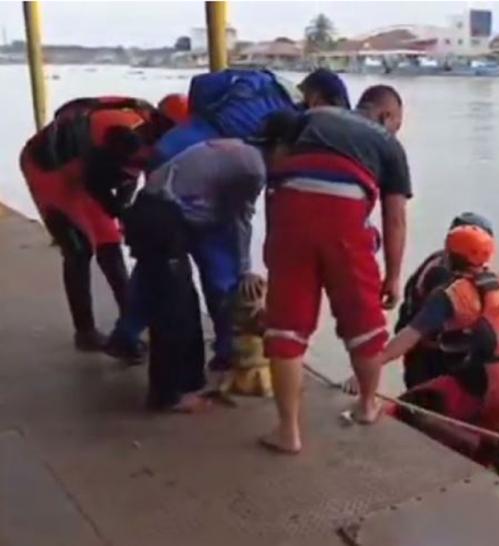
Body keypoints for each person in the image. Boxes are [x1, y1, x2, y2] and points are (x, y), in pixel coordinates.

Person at [104, 71, 349, 363]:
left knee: (156, 267)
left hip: (174, 157)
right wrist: (248, 267)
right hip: (206, 184)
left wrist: (207, 126)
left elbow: (201, 84)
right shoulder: (291, 123)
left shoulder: (260, 78)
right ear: (318, 99)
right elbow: (244, 211)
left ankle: (126, 334)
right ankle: (226, 349)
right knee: (224, 273)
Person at [262, 85, 411, 454]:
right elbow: (394, 219)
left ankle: (287, 432)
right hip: (344, 217)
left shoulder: (313, 116)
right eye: (397, 124)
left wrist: (274, 238)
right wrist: (393, 276)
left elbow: (274, 171)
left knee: (286, 328)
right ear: (387, 116)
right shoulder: (389, 144)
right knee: (364, 321)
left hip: (289, 210)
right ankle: (367, 406)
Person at [122, 131, 281, 411]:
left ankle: (186, 382)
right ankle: (167, 396)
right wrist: (244, 268)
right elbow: (241, 217)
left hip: (155, 210)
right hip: (160, 217)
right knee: (173, 311)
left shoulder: (242, 151)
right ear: (279, 147)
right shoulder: (255, 168)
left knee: (180, 302)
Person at [19, 95, 176, 351]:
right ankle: (86, 332)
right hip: (47, 170)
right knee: (78, 249)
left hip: (86, 168)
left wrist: (124, 209)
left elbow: (128, 176)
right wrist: (121, 212)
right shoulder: (126, 136)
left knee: (109, 244)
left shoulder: (147, 130)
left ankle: (130, 325)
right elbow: (98, 182)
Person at [375, 225, 499, 443]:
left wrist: (374, 363)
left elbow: (409, 336)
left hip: (479, 386)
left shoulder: (451, 294)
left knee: (409, 409)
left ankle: (470, 444)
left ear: (450, 256)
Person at [395, 212, 495, 389]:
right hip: (428, 353)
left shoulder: (463, 269)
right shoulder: (441, 275)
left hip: (438, 348)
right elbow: (420, 325)